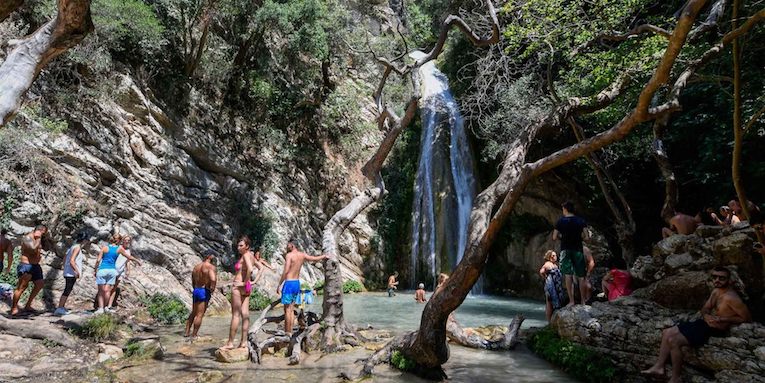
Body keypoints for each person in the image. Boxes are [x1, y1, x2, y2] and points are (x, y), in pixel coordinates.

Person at [641, 267, 751, 383]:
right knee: (667, 332)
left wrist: (722, 318)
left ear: (728, 280)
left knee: (674, 341)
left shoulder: (732, 298)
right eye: (714, 277)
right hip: (705, 323)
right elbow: (705, 308)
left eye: (721, 278)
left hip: (714, 329)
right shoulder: (716, 291)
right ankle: (659, 367)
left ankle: (675, 378)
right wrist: (706, 316)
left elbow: (747, 318)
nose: (717, 280)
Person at [276, 239, 327, 335]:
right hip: (296, 284)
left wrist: (279, 284)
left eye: (288, 245)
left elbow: (286, 271)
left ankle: (287, 333)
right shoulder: (302, 255)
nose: (287, 246)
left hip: (289, 283)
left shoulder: (289, 255)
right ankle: (290, 332)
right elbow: (314, 258)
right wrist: (324, 256)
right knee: (291, 309)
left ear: (292, 245)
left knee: (287, 310)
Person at [552, 201, 589, 306]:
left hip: (565, 249)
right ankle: (583, 301)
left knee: (568, 275)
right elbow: (587, 237)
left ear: (565, 209)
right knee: (581, 276)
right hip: (578, 249)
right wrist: (579, 238)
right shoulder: (581, 221)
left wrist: (562, 238)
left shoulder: (560, 221)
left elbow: (554, 237)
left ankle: (572, 301)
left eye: (563, 209)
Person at [222, 236, 255, 350]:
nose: (238, 247)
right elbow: (260, 269)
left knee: (235, 315)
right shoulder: (251, 256)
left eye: (241, 245)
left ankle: (230, 343)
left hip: (239, 285)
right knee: (245, 314)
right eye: (238, 245)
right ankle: (243, 342)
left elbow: (250, 269)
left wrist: (242, 282)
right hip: (247, 287)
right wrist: (252, 281)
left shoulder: (246, 255)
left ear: (247, 246)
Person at [94, 234, 141, 314]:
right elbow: (128, 257)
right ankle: (106, 307)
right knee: (108, 290)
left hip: (102, 270)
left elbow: (98, 260)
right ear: (119, 241)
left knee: (101, 290)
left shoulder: (104, 248)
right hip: (112, 271)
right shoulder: (119, 249)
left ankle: (100, 308)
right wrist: (137, 261)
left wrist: (95, 270)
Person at [10, 225, 48, 316]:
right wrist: (38, 238)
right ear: (40, 230)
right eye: (43, 233)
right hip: (26, 265)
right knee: (22, 287)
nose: (43, 235)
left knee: (40, 284)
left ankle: (28, 305)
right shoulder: (27, 238)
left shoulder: (37, 239)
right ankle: (14, 308)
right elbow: (33, 249)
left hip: (35, 266)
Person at [185, 250, 217, 339]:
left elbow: (192, 279)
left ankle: (187, 332)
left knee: (193, 312)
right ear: (209, 256)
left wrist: (195, 288)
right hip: (204, 290)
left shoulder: (196, 267)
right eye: (212, 255)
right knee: (200, 315)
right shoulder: (210, 267)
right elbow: (213, 279)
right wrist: (212, 288)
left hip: (196, 289)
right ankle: (194, 335)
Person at [55, 233, 90, 316]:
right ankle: (60, 308)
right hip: (71, 273)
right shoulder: (77, 247)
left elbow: (65, 258)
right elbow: (72, 260)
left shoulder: (72, 247)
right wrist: (77, 271)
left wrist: (65, 268)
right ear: (84, 240)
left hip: (68, 272)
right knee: (67, 290)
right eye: (86, 240)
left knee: (68, 290)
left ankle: (61, 307)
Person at [107, 235, 134, 311]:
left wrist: (128, 270)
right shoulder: (118, 248)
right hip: (113, 269)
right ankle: (104, 305)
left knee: (114, 288)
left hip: (121, 271)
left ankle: (109, 305)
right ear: (123, 240)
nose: (127, 241)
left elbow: (128, 261)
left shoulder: (128, 250)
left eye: (128, 240)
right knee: (109, 287)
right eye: (126, 240)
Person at [539, 250, 565, 322]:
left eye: (555, 255)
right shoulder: (547, 264)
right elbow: (541, 272)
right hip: (550, 285)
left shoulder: (555, 265)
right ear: (549, 257)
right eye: (553, 255)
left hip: (556, 285)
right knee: (549, 302)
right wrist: (546, 278)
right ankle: (549, 321)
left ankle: (552, 321)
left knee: (554, 302)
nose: (555, 257)